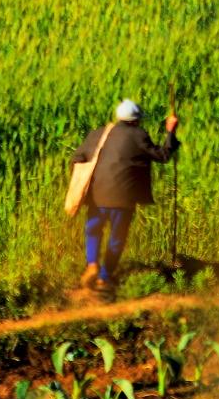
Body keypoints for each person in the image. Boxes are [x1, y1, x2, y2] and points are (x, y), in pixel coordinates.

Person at [71, 98, 180, 291]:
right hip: (123, 199)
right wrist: (171, 132)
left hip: (97, 194)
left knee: (93, 230)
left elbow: (78, 158)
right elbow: (162, 155)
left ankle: (92, 265)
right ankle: (104, 278)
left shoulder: (98, 134)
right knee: (117, 237)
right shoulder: (138, 135)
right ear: (136, 120)